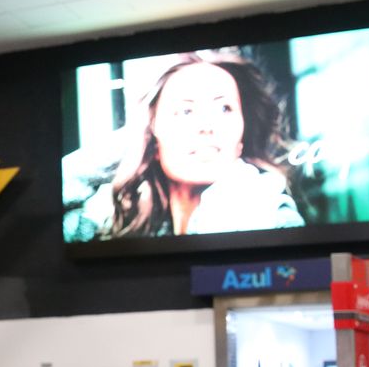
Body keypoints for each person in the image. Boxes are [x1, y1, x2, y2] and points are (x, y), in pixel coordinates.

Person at [101, 53, 303, 238]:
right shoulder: (116, 223)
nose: (207, 126)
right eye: (186, 111)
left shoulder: (272, 215)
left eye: (225, 108)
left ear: (241, 140)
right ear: (152, 135)